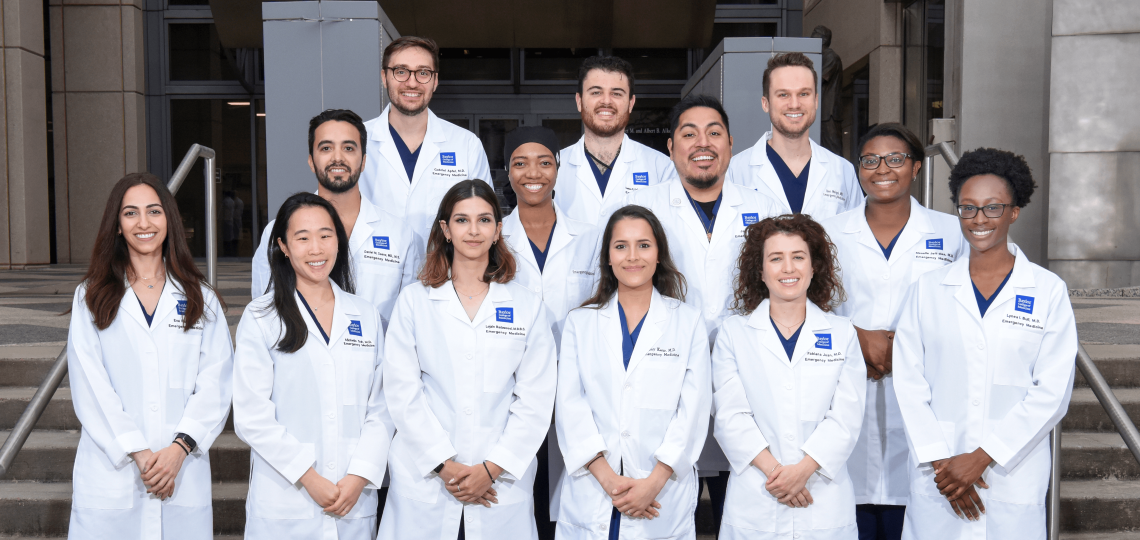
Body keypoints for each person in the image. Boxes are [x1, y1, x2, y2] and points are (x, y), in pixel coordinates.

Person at [892, 148, 1077, 539]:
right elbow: (909, 383)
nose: (979, 220)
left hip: (1009, 472)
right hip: (938, 474)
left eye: (993, 208)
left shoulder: (1047, 291)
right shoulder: (927, 290)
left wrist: (981, 458)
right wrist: (945, 465)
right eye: (968, 208)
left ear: (1014, 211)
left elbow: (1052, 392)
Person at [619, 93, 781, 532]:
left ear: (730, 144)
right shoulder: (642, 209)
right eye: (688, 134)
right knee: (669, 493)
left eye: (714, 133)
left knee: (746, 491)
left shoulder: (764, 208)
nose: (702, 143)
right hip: (666, 370)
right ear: (670, 147)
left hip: (748, 373)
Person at [379, 180, 557, 540]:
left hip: (500, 481)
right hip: (426, 478)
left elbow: (536, 400)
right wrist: (444, 466)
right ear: (445, 229)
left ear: (498, 230)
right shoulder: (414, 301)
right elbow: (402, 393)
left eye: (484, 220)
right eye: (461, 220)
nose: (473, 230)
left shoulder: (527, 306)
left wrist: (492, 469)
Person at [819, 123, 968, 540]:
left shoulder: (951, 233)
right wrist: (856, 337)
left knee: (915, 507)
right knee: (853, 508)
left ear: (916, 167)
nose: (882, 168)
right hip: (848, 389)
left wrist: (901, 347)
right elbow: (806, 307)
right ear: (858, 169)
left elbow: (967, 310)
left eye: (896, 158)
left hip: (925, 396)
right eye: (870, 159)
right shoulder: (826, 233)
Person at [66, 172, 233, 539]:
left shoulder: (199, 297)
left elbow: (216, 383)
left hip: (181, 470)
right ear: (117, 226)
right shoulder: (90, 297)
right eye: (131, 213)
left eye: (154, 211)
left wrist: (178, 450)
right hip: (114, 475)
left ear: (170, 222)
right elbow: (90, 385)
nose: (144, 223)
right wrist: (140, 453)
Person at [234, 192, 392, 539]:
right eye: (302, 238)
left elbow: (381, 408)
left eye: (325, 235)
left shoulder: (365, 315)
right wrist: (309, 477)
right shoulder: (261, 317)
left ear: (339, 240)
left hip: (352, 498)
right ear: (283, 247)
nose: (316, 248)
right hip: (287, 499)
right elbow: (251, 414)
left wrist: (359, 476)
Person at [555, 204, 711, 540]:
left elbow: (693, 411)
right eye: (620, 246)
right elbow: (569, 407)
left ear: (659, 254)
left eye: (644, 245)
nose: (632, 256)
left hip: (660, 492)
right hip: (595, 487)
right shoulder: (580, 323)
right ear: (608, 257)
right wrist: (610, 482)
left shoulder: (688, 322)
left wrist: (652, 484)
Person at [711, 214, 866, 540]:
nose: (788, 268)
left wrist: (804, 470)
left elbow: (846, 417)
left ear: (814, 267)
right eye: (776, 258)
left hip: (821, 493)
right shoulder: (733, 333)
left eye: (798, 257)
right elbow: (729, 416)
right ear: (761, 270)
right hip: (758, 491)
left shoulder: (842, 333)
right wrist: (780, 475)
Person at [499, 126, 602, 537]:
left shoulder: (591, 238)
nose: (532, 172)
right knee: (522, 492)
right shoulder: (493, 237)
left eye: (544, 161)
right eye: (520, 163)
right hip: (512, 387)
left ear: (558, 168)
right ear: (507, 172)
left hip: (575, 385)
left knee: (566, 495)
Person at [251, 109, 420, 330]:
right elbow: (266, 311)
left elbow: (410, 319)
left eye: (348, 148)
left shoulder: (399, 234)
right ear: (311, 161)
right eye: (326, 148)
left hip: (378, 362)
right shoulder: (278, 231)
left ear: (364, 161)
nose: (337, 157)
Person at [359, 36, 492, 238]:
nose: (412, 83)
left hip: (445, 268)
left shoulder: (466, 144)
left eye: (423, 73)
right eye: (401, 71)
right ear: (384, 77)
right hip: (374, 267)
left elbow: (484, 218)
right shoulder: (356, 141)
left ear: (435, 81)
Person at [726, 52, 863, 219]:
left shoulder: (843, 171)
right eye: (783, 94)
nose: (794, 104)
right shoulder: (735, 171)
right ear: (765, 103)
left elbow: (855, 238)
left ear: (816, 101)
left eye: (803, 94)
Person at [555, 55, 678, 225]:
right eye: (596, 92)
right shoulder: (553, 167)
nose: (606, 101)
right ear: (579, 101)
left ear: (631, 103)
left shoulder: (662, 169)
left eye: (617, 93)